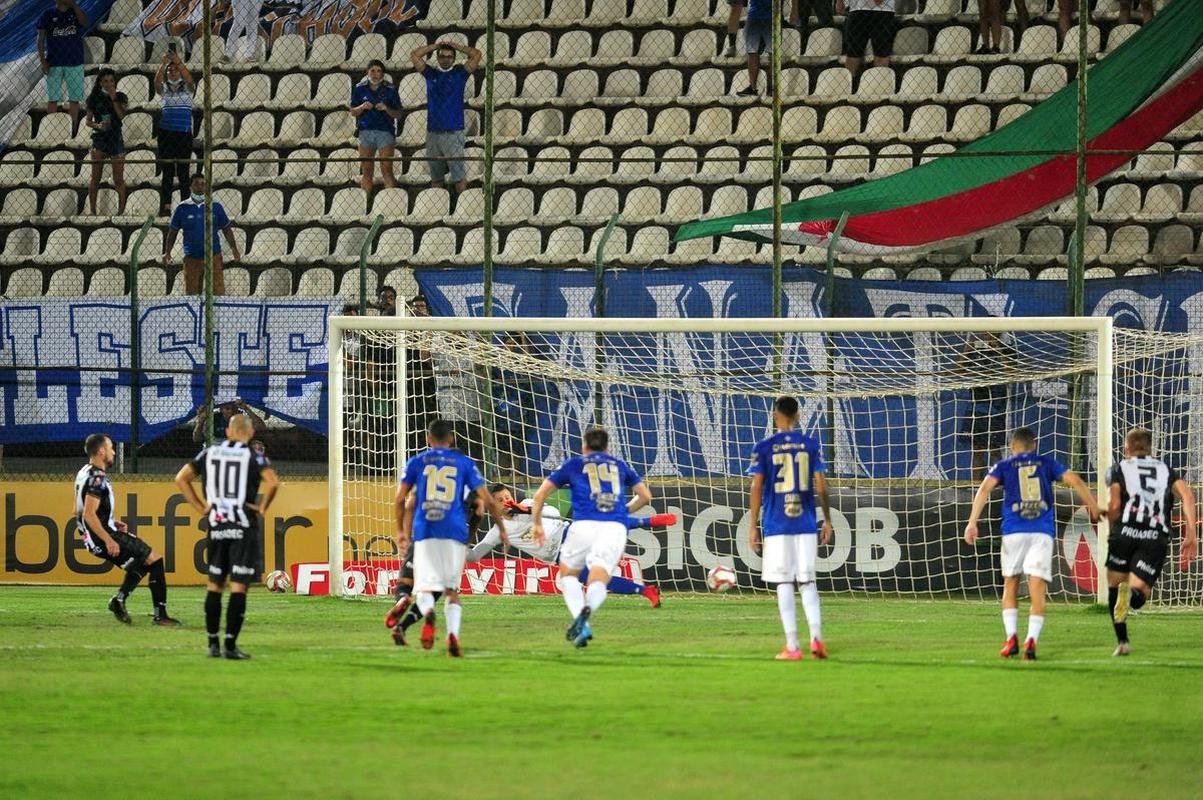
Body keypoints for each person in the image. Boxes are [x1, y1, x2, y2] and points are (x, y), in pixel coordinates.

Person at [964, 427, 1100, 661]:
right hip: (1041, 533)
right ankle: (1031, 641)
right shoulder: (1046, 463)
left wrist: (972, 522)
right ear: (1034, 445)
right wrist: (1093, 506)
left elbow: (984, 488)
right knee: (1037, 589)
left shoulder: (1004, 465)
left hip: (1014, 532)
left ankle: (1011, 638)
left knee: (1011, 586)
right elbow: (1075, 480)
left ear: (1012, 447)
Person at [530, 427, 653, 648]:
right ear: (608, 447)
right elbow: (645, 496)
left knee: (568, 575)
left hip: (584, 525)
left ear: (584, 446)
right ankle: (586, 613)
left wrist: (537, 524)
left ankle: (580, 619)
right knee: (599, 576)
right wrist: (623, 511)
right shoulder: (620, 465)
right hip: (614, 528)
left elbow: (539, 496)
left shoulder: (574, 464)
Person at [394, 419, 507, 657]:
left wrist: (401, 532)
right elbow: (483, 503)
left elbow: (404, 500)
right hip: (455, 533)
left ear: (428, 438)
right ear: (452, 438)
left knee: (424, 588)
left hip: (425, 531)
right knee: (450, 591)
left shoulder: (418, 462)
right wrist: (501, 529)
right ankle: (452, 635)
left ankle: (427, 615)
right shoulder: (465, 464)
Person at [175, 413, 279, 659]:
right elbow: (273, 483)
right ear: (251, 433)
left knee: (214, 585)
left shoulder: (210, 452)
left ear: (229, 432)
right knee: (239, 587)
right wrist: (262, 508)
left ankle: (212, 644)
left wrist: (202, 508)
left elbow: (181, 478)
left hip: (217, 524)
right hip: (243, 525)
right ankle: (230, 646)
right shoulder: (254, 456)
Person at [747, 396, 833, 660]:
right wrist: (827, 519)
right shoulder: (811, 445)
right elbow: (821, 486)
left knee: (784, 582)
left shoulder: (764, 447)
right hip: (806, 522)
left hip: (777, 523)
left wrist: (753, 526)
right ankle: (817, 640)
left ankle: (793, 646)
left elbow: (757, 487)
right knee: (807, 581)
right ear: (797, 416)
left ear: (775, 415)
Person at [1105, 428, 1198, 656]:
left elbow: (1115, 505)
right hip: (1154, 536)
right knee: (1139, 595)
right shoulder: (1166, 470)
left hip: (1124, 533)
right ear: (1150, 448)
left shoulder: (1117, 469)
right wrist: (1191, 533)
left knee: (1114, 586)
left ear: (1126, 448)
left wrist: (1111, 527)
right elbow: (1187, 495)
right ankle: (1132, 596)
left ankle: (1122, 641)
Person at [75, 433, 181, 626]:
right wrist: (108, 538)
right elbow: (88, 514)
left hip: (96, 536)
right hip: (102, 537)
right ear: (101, 451)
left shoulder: (84, 472)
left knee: (143, 563)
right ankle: (161, 615)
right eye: (110, 448)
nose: (114, 452)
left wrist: (111, 522)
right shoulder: (96, 477)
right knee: (155, 560)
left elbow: (79, 509)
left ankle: (119, 600)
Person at [411, 40, 481, 195]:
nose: (445, 59)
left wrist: (456, 45)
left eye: (449, 56)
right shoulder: (431, 73)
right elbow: (415, 55)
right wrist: (435, 46)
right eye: (442, 56)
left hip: (453, 131)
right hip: (433, 132)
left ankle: (462, 209)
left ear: (454, 59)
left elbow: (477, 54)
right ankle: (436, 207)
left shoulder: (460, 73)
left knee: (458, 176)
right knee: (436, 178)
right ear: (438, 58)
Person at [164, 173, 241, 295]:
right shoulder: (182, 208)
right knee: (192, 294)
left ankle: (217, 313)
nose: (199, 187)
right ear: (190, 187)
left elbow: (227, 229)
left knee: (218, 291)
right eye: (196, 184)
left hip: (213, 255)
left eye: (202, 184)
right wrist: (168, 252)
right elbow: (172, 232)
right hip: (191, 257)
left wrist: (234, 249)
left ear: (206, 187)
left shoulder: (215, 206)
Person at [958, 332, 1017, 482]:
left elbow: (1010, 372)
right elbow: (958, 370)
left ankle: (999, 483)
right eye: (986, 331)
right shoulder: (977, 350)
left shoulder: (1007, 348)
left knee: (994, 449)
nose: (988, 335)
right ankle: (975, 484)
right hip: (976, 406)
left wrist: (997, 349)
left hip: (995, 407)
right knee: (977, 450)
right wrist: (967, 348)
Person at [349, 59, 402, 195]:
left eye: (379, 71)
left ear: (383, 74)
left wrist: (386, 108)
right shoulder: (359, 88)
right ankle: (365, 205)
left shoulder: (390, 89)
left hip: (385, 132)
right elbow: (353, 111)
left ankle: (391, 202)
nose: (375, 74)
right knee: (366, 171)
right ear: (367, 72)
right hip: (365, 132)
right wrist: (362, 107)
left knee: (386, 170)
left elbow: (399, 114)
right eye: (372, 70)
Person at [154, 48, 195, 216]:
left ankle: (186, 205)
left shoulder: (188, 89)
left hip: (183, 134)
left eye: (175, 69)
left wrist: (177, 61)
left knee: (184, 172)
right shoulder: (164, 89)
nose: (172, 72)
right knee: (168, 172)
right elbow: (156, 82)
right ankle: (166, 207)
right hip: (166, 134)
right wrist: (164, 64)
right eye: (170, 70)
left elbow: (189, 77)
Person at [37, 0, 88, 130]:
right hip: (54, 62)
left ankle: (72, 128)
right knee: (52, 98)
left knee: (74, 99)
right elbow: (40, 38)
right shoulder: (47, 14)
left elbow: (83, 22)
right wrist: (43, 60)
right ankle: (50, 129)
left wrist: (74, 5)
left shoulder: (76, 12)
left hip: (75, 61)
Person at [84, 68, 127, 216]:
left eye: (111, 81)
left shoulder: (120, 96)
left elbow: (121, 115)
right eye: (105, 81)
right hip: (100, 138)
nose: (109, 84)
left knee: (118, 179)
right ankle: (93, 210)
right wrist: (98, 125)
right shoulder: (93, 98)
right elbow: (88, 121)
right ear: (100, 82)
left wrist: (114, 97)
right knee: (95, 177)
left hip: (115, 138)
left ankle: (121, 211)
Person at [837, 0, 896, 77]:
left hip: (882, 10)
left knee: (881, 53)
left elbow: (878, 2)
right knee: (853, 53)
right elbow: (840, 9)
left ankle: (879, 83)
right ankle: (849, 84)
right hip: (856, 10)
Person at [737, 0, 774, 96]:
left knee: (772, 53)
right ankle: (752, 87)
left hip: (772, 17)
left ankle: (772, 88)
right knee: (752, 52)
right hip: (753, 16)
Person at [192, 398, 266, 443]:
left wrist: (246, 409)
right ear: (221, 409)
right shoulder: (213, 418)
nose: (231, 411)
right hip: (216, 449)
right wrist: (200, 422)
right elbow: (197, 439)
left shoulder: (241, 418)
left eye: (234, 408)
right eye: (227, 408)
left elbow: (261, 427)